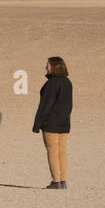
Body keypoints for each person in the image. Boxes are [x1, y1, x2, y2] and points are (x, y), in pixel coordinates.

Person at [32, 56, 72, 190]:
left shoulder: (51, 84)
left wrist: (37, 124)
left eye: (47, 65)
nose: (45, 67)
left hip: (51, 124)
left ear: (54, 67)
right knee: (61, 152)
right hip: (64, 122)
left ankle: (56, 181)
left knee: (52, 151)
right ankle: (63, 181)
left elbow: (45, 106)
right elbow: (69, 105)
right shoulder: (67, 82)